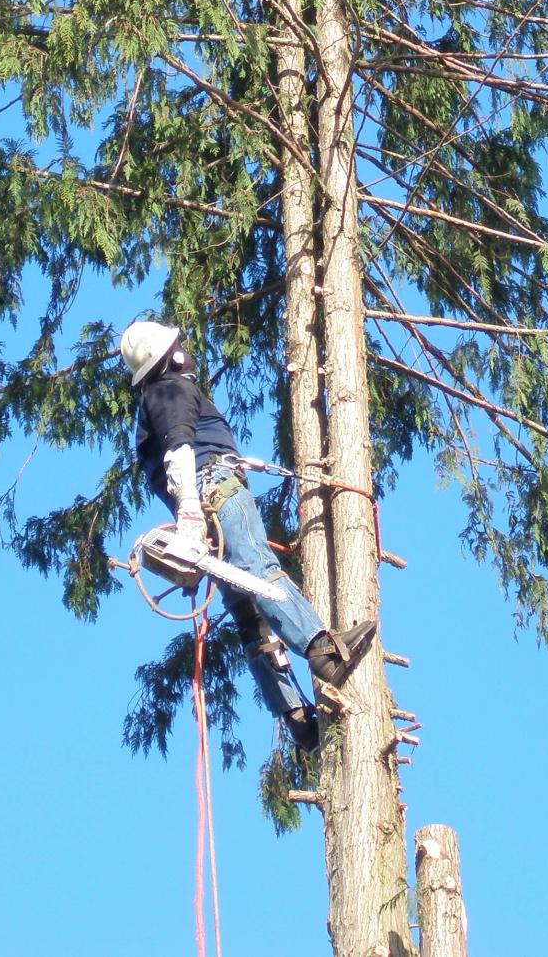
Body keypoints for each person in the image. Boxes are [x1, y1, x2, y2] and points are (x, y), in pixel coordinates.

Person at [120, 318, 377, 751]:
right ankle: (322, 649)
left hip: (206, 517)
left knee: (250, 620)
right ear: (169, 357)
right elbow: (181, 451)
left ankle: (297, 718)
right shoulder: (169, 390)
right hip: (216, 493)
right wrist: (189, 514)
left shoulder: (153, 405)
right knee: (260, 568)